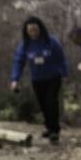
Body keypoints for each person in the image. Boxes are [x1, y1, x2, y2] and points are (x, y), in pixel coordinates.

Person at [9, 15, 68, 143]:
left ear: (40, 29)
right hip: (37, 79)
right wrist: (15, 79)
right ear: (26, 31)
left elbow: (61, 59)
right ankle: (49, 126)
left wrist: (64, 74)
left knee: (51, 102)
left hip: (53, 77)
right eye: (30, 30)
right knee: (43, 104)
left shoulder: (51, 41)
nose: (33, 33)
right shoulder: (25, 45)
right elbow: (18, 62)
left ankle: (54, 130)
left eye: (35, 30)